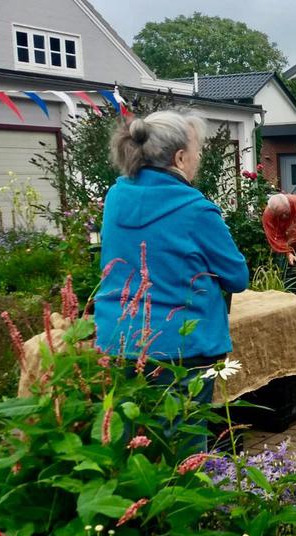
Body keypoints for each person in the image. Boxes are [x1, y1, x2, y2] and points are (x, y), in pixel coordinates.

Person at [95, 110, 249, 448]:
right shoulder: (196, 209)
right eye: (197, 151)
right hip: (180, 348)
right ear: (179, 158)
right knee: (182, 449)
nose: (199, 158)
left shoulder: (115, 197)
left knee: (130, 446)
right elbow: (237, 277)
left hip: (119, 341)